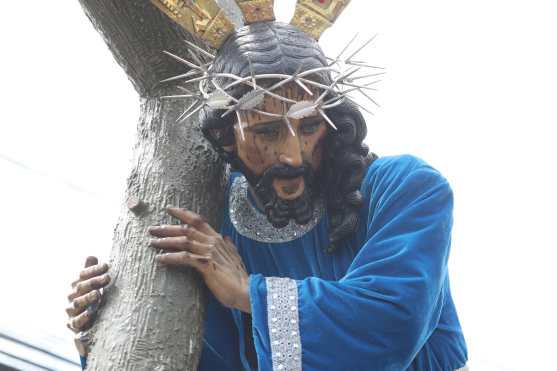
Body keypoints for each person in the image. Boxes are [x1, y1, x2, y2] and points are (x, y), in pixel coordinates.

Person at [65, 1, 468, 370]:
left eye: (309, 126)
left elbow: (393, 323)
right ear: (228, 136)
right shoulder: (217, 227)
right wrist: (107, 325)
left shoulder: (406, 189)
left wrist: (249, 294)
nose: (291, 154)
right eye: (268, 131)